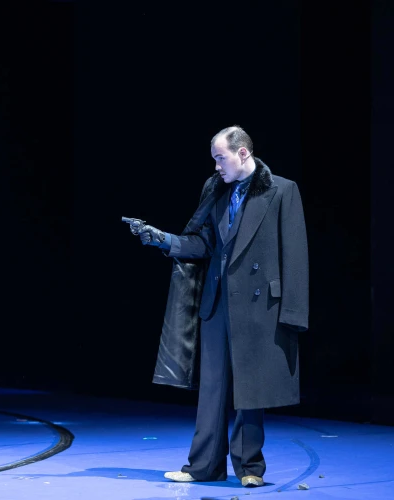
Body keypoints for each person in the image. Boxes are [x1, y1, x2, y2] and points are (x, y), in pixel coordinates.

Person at [126, 125, 308, 487]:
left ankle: (250, 467)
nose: (216, 166)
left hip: (260, 307)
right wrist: (162, 240)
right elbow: (204, 243)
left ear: (242, 153)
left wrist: (293, 313)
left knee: (250, 390)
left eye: (220, 158)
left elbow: (295, 253)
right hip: (218, 303)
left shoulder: (282, 190)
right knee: (212, 390)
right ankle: (204, 466)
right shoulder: (216, 189)